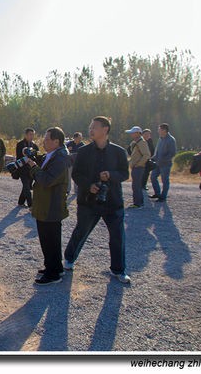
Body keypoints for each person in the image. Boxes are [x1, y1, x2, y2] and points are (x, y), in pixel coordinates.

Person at [64, 116, 131, 284]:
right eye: (90, 126)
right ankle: (69, 259)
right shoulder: (84, 152)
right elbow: (76, 174)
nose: (91, 129)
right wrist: (89, 185)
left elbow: (124, 174)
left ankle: (118, 270)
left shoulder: (118, 152)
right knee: (81, 231)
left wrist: (111, 176)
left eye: (94, 127)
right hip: (89, 201)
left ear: (105, 129)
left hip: (113, 202)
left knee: (117, 236)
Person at [24, 127, 70, 285]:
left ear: (56, 141)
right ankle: (54, 267)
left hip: (51, 205)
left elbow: (47, 179)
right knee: (48, 239)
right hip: (46, 204)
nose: (43, 141)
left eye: (47, 139)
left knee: (51, 239)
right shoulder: (53, 154)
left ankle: (53, 274)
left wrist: (32, 166)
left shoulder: (61, 158)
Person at [149, 123, 177, 202]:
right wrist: (153, 158)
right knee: (153, 177)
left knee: (165, 180)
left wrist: (163, 159)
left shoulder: (171, 140)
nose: (158, 131)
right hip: (157, 163)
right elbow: (157, 151)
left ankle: (163, 197)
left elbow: (173, 153)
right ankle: (157, 193)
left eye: (159, 129)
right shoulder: (160, 138)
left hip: (166, 164)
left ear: (164, 130)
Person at [125, 126, 151, 208]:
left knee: (136, 185)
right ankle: (139, 202)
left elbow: (147, 155)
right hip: (136, 167)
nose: (131, 134)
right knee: (136, 185)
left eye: (132, 133)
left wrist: (139, 164)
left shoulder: (142, 142)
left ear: (137, 133)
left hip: (139, 168)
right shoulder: (135, 142)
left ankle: (138, 203)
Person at [16, 128, 39, 208]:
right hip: (23, 169)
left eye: (33, 134)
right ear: (25, 135)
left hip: (31, 170)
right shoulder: (20, 145)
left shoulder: (34, 145)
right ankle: (31, 205)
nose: (32, 136)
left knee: (27, 186)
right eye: (30, 134)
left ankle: (21, 202)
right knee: (26, 186)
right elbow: (18, 157)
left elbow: (36, 157)